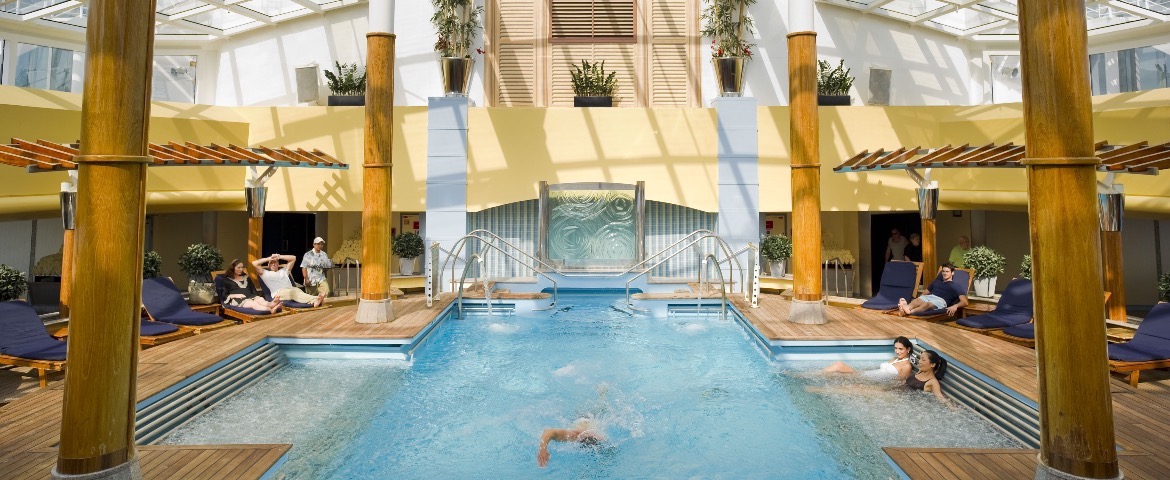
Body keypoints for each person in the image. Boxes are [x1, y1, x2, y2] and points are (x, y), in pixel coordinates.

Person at [822, 336, 915, 382]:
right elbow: (879, 370)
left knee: (838, 368)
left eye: (901, 349)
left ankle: (810, 376)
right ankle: (812, 375)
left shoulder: (906, 366)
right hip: (865, 375)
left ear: (908, 349)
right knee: (837, 368)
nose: (897, 351)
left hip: (870, 380)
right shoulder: (894, 359)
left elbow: (899, 383)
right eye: (896, 348)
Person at [254, 254, 326, 307]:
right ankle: (316, 299)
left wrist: (279, 256)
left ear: (278, 264)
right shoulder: (265, 274)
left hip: (292, 289)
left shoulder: (284, 271)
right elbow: (255, 263)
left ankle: (315, 301)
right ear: (268, 265)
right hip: (279, 293)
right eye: (271, 263)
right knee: (293, 292)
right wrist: (270, 258)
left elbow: (293, 258)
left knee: (296, 291)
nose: (273, 264)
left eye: (275, 262)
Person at [898, 262, 967, 317]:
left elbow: (965, 302)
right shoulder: (936, 282)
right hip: (930, 297)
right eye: (943, 271)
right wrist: (919, 299)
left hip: (941, 301)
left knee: (927, 304)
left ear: (952, 273)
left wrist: (955, 306)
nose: (944, 273)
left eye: (947, 271)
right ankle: (907, 308)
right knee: (918, 300)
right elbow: (925, 293)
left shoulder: (956, 286)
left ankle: (906, 310)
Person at [536, 417, 607, 467]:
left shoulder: (600, 438)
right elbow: (548, 431)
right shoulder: (575, 435)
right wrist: (542, 449)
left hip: (592, 421)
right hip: (581, 418)